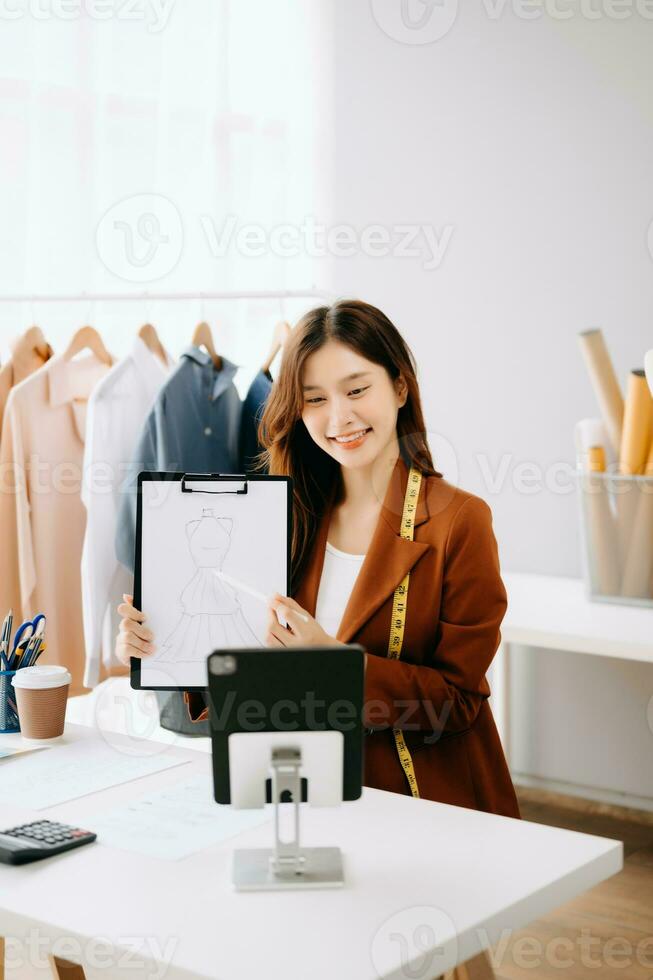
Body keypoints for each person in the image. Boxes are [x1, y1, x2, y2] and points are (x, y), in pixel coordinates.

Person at [116, 299, 520, 819]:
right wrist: (165, 643)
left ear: (399, 386)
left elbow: (458, 701)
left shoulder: (459, 521)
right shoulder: (284, 518)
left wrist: (334, 665)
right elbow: (256, 679)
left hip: (423, 803)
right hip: (301, 795)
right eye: (314, 399)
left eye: (356, 390)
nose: (339, 417)